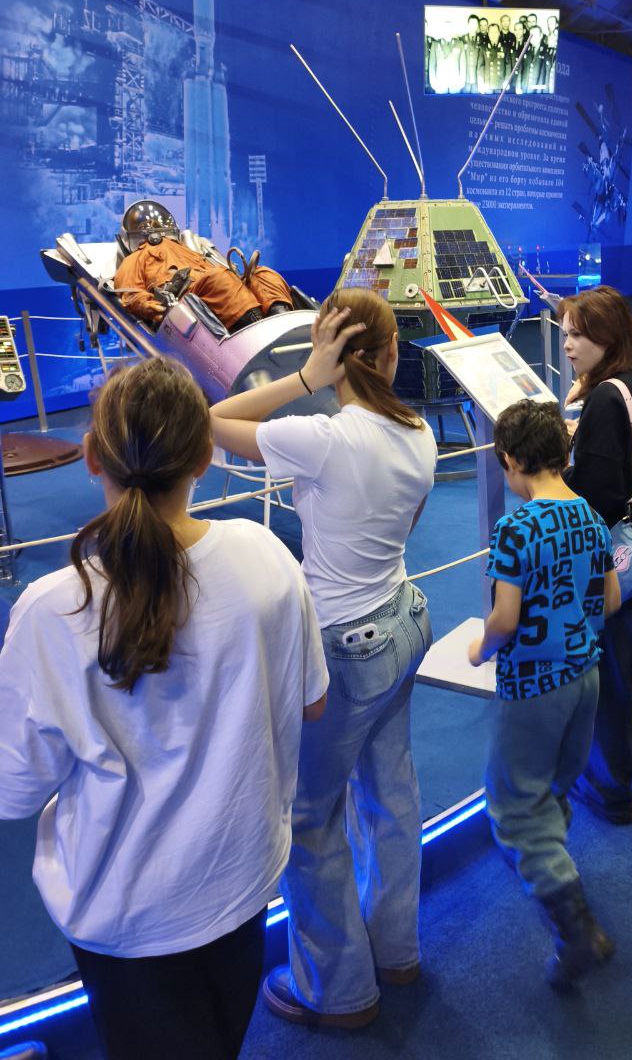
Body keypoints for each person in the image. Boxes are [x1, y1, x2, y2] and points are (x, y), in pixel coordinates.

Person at [0, 357, 327, 1060]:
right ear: (204, 457)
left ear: (92, 456)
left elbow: (14, 789)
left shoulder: (52, 609)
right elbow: (314, 700)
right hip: (242, 880)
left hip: (126, 915)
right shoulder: (265, 555)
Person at [209, 289, 436, 1027]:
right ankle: (396, 952)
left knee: (309, 819)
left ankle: (338, 992)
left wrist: (308, 376)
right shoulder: (419, 433)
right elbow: (405, 525)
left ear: (335, 354)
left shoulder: (323, 437)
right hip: (405, 618)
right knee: (391, 793)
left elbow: (214, 421)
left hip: (344, 646)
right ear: (393, 352)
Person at [467, 400, 621, 986]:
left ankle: (576, 929)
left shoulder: (515, 529)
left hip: (533, 685)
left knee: (514, 806)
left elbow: (504, 619)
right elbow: (609, 600)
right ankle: (558, 866)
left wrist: (480, 648)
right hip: (586, 675)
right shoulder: (590, 514)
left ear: (510, 460)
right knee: (554, 785)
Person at [559, 285, 632, 824]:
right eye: (565, 333)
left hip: (621, 559)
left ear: (607, 337)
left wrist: (560, 475)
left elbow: (600, 493)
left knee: (612, 680)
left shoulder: (608, 397)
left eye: (577, 335)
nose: (567, 344)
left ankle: (611, 792)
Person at [114, 199, 293, 331]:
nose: (156, 234)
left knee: (262, 274)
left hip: (219, 287)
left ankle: (282, 322)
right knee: (220, 278)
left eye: (158, 227)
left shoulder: (191, 250)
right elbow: (130, 293)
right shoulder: (134, 259)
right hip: (185, 296)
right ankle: (258, 328)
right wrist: (146, 306)